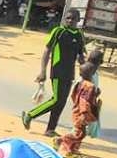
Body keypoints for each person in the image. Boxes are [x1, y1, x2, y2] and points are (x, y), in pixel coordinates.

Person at [22, 8, 87, 137]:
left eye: (73, 18)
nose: (70, 21)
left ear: (78, 20)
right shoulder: (58, 31)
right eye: (68, 18)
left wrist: (85, 70)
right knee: (57, 99)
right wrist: (42, 71)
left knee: (61, 102)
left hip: (70, 72)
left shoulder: (79, 35)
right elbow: (47, 51)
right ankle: (30, 115)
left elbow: (81, 55)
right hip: (57, 70)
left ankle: (50, 129)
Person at [56, 61, 100, 157]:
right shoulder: (90, 86)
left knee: (80, 131)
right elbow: (84, 100)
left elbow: (74, 96)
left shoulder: (80, 83)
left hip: (76, 110)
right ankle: (62, 140)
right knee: (79, 133)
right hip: (82, 113)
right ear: (92, 73)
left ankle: (72, 149)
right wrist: (84, 113)